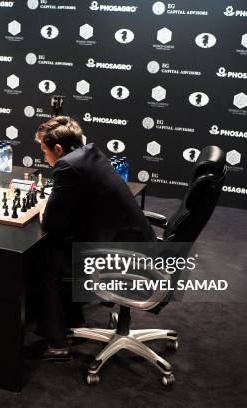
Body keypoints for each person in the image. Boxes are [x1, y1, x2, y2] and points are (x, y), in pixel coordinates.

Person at [32, 116, 156, 361]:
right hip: (139, 243)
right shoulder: (90, 153)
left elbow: (52, 222)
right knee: (60, 247)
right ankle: (73, 322)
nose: (44, 157)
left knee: (45, 262)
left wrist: (46, 209)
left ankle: (57, 344)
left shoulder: (67, 166)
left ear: (58, 149)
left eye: (44, 150)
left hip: (123, 256)